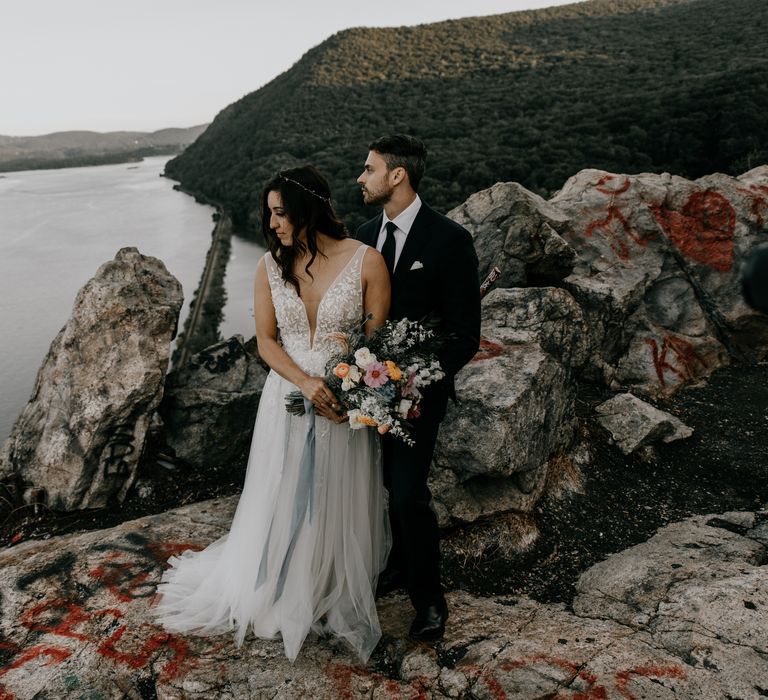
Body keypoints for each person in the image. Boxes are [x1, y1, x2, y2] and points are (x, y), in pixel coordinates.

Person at [151, 165, 392, 663]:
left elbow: (375, 347)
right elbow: (265, 341)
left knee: (333, 492)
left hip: (340, 405)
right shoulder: (267, 267)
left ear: (308, 210)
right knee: (280, 488)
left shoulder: (368, 263)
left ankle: (325, 581)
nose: (273, 224)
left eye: (280, 213)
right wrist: (304, 381)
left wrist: (345, 392)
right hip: (285, 396)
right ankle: (276, 583)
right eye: (269, 215)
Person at [355, 135, 481, 641]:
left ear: (397, 175)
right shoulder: (363, 235)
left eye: (368, 169)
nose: (360, 178)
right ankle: (400, 563)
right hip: (360, 389)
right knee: (380, 487)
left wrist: (413, 380)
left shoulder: (450, 240)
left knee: (407, 494)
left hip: (417, 397)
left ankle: (429, 600)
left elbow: (464, 334)